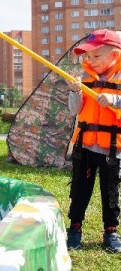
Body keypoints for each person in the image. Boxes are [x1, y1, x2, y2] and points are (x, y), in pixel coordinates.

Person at [66, 29, 121, 252]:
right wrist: (76, 92)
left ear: (115, 56)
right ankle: (75, 227)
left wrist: (115, 100)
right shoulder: (85, 78)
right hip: (86, 146)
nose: (90, 60)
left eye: (96, 56)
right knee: (80, 189)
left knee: (110, 191)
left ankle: (111, 231)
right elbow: (74, 110)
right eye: (88, 56)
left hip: (112, 148)